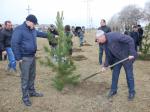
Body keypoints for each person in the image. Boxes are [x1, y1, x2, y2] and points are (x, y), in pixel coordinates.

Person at [11, 14, 47, 106]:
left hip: (32, 57)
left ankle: (32, 92)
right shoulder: (19, 30)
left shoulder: (32, 29)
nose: (34, 25)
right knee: (25, 78)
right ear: (29, 21)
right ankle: (25, 97)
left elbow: (41, 34)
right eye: (34, 23)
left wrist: (51, 35)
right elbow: (14, 44)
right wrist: (18, 58)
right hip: (24, 58)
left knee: (32, 75)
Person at [95, 30, 138, 101]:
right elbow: (108, 56)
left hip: (126, 57)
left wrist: (132, 53)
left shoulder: (114, 36)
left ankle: (132, 92)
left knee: (129, 75)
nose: (98, 42)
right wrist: (105, 66)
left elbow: (130, 40)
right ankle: (113, 90)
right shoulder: (104, 44)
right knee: (115, 74)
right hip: (117, 58)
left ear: (102, 36)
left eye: (98, 40)